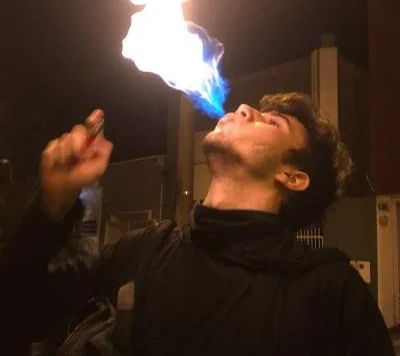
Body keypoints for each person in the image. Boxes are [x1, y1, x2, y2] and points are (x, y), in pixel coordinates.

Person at [3, 94, 394, 355]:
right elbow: (17, 312)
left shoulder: (329, 292)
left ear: (292, 177)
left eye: (273, 122)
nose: (244, 108)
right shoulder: (147, 249)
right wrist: (53, 203)